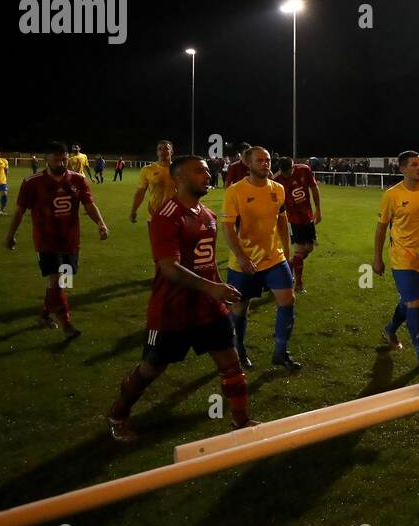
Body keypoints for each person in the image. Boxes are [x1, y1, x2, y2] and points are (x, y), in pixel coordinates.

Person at [107, 155, 255, 441]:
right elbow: (169, 268)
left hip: (209, 308)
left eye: (207, 170)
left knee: (230, 363)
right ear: (179, 179)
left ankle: (241, 422)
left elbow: (206, 263)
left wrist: (219, 287)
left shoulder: (208, 216)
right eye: (199, 171)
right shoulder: (167, 215)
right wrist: (213, 288)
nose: (207, 175)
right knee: (150, 369)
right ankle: (117, 415)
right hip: (171, 309)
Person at [5, 141, 108, 338]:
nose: (61, 162)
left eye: (64, 158)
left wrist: (101, 224)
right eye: (56, 159)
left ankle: (44, 315)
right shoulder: (32, 182)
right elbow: (19, 211)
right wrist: (11, 236)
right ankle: (67, 324)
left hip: (70, 240)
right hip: (47, 240)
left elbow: (89, 204)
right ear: (46, 159)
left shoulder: (77, 180)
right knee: (56, 280)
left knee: (64, 282)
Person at [223, 147, 299, 371]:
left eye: (267, 160)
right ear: (248, 164)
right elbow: (227, 227)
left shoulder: (278, 189)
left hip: (275, 258)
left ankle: (280, 351)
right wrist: (241, 256)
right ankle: (239, 351)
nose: (265, 164)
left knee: (288, 301)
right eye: (260, 160)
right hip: (244, 262)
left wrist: (286, 251)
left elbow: (282, 221)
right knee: (239, 308)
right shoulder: (235, 191)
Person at [373, 150, 419, 374]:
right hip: (401, 258)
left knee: (407, 302)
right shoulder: (392, 195)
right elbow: (381, 228)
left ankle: (389, 329)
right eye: (414, 165)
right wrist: (377, 258)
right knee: (415, 303)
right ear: (402, 168)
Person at [274, 155, 321, 293]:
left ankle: (287, 267)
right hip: (292, 220)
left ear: (293, 167)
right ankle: (298, 284)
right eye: (284, 173)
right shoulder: (276, 180)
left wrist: (318, 209)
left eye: (288, 172)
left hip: (307, 217)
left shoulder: (304, 170)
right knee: (300, 250)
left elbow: (314, 188)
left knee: (309, 248)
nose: (287, 175)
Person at [129, 141, 176, 224]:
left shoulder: (179, 170)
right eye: (160, 149)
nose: (162, 151)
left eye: (166, 149)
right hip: (154, 215)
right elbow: (140, 192)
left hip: (176, 216)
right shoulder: (147, 170)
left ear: (171, 152)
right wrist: (134, 210)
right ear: (157, 152)